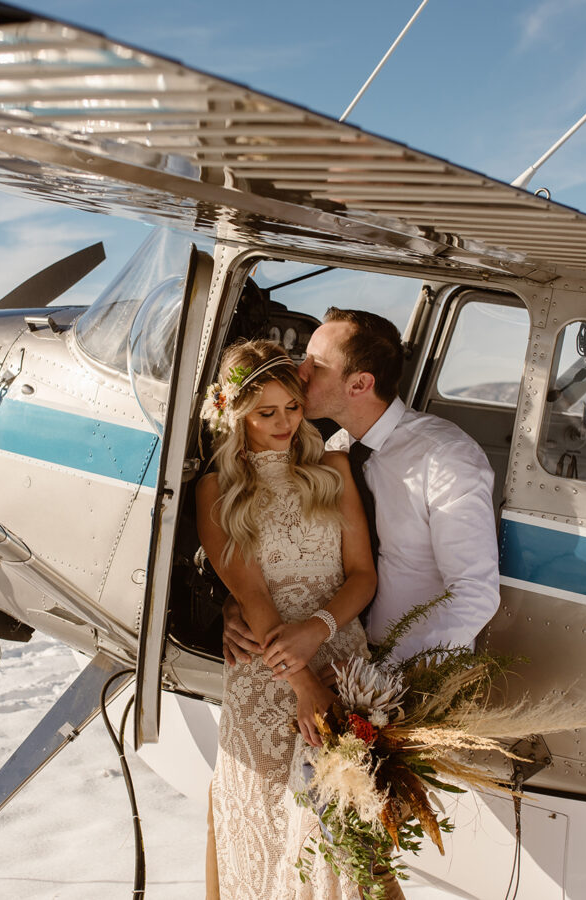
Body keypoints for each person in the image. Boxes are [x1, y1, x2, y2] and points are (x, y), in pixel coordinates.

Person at [223, 307, 501, 672]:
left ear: (359, 384)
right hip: (335, 660)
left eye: (315, 365)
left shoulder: (446, 457)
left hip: (414, 673)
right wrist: (238, 604)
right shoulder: (333, 452)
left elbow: (474, 595)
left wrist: (378, 675)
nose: (299, 372)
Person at [196, 339, 377, 900]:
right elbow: (250, 593)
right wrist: (301, 685)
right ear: (234, 415)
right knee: (268, 830)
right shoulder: (216, 489)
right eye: (264, 413)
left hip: (341, 663)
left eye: (292, 407)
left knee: (341, 839)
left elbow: (363, 576)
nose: (283, 423)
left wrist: (318, 631)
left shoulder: (336, 469)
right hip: (267, 680)